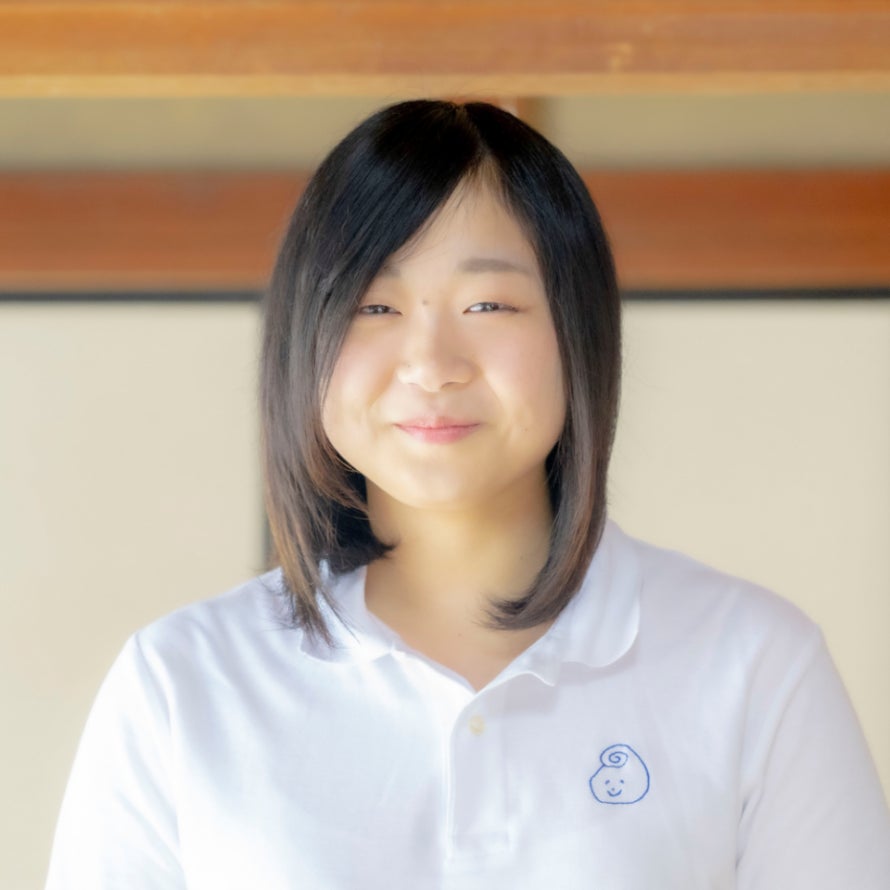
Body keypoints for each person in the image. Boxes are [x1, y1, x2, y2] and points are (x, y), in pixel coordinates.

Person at [46, 100, 890, 889]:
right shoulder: (183, 683)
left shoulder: (753, 663)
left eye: (488, 303)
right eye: (374, 305)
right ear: (305, 338)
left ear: (577, 332)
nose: (431, 364)